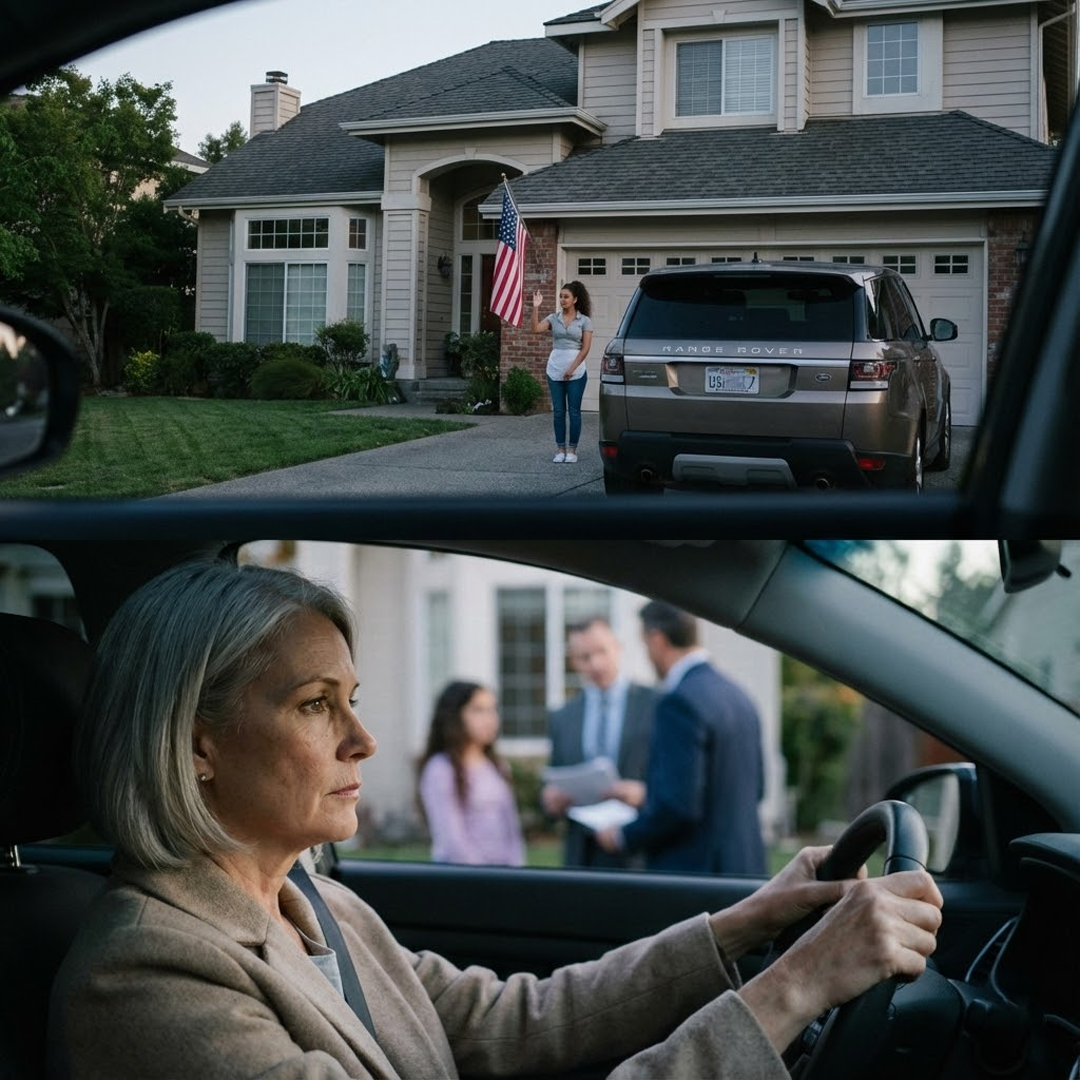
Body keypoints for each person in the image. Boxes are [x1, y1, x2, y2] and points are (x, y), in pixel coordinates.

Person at [49, 558, 943, 1079]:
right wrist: (788, 992)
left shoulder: (314, 901)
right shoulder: (146, 978)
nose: (363, 738)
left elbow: (512, 1018)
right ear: (197, 743)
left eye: (353, 700)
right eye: (317, 705)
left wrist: (748, 925)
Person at [597, 600, 768, 875]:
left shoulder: (678, 703)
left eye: (644, 644)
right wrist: (647, 795)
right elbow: (755, 788)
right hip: (745, 868)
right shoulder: (740, 696)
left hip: (697, 875)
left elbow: (678, 807)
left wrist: (621, 836)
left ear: (657, 639)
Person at [542, 617, 659, 869]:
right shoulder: (563, 717)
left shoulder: (656, 704)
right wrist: (551, 801)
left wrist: (643, 794)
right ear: (573, 661)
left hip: (641, 851)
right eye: (584, 657)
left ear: (618, 648)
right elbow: (555, 777)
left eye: (601, 652)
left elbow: (675, 782)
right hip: (582, 856)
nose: (595, 663)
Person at [417, 680, 526, 867]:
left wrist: (517, 871)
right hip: (464, 876)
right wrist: (482, 878)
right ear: (454, 716)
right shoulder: (440, 769)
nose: (490, 719)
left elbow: (511, 829)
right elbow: (452, 839)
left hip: (505, 876)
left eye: (492, 709)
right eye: (478, 710)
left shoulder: (497, 765)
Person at [530, 281, 593, 464]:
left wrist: (572, 369)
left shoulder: (584, 321)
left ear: (575, 299)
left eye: (566, 296)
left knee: (574, 412)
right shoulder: (553, 318)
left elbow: (586, 348)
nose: (562, 300)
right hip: (555, 368)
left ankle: (572, 450)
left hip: (577, 371)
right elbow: (535, 329)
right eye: (561, 296)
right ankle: (560, 449)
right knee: (558, 411)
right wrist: (535, 308)